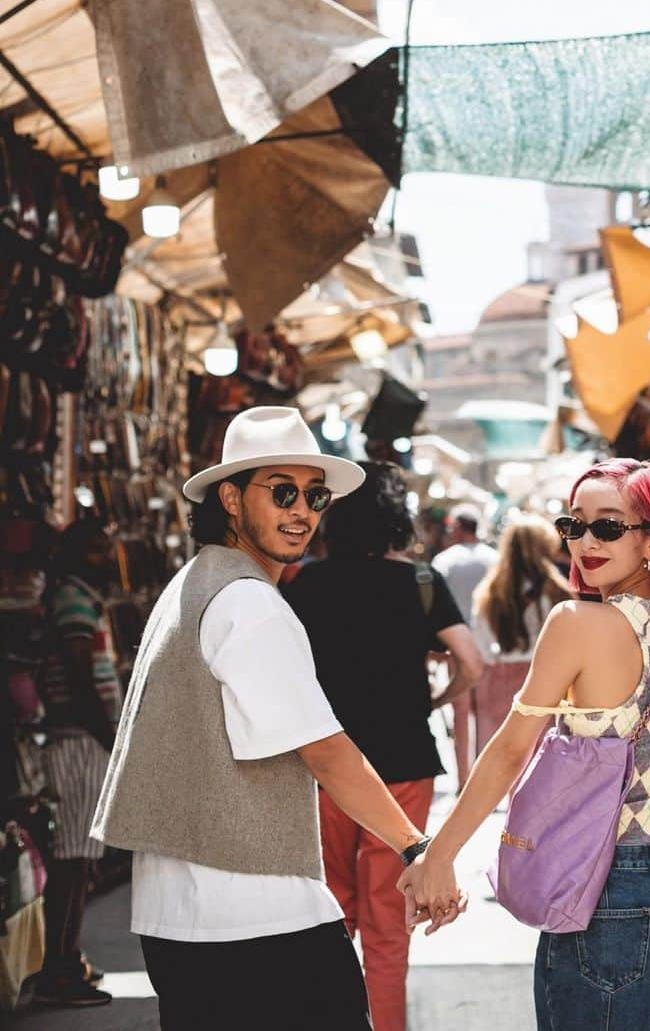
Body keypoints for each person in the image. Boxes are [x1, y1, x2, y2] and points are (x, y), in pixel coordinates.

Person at [90, 407, 463, 1031]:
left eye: (315, 496)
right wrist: (415, 848)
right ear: (231, 499)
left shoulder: (193, 586)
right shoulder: (248, 602)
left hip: (179, 912)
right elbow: (325, 751)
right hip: (255, 911)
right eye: (283, 492)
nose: (303, 512)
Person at [401, 458, 650, 1031]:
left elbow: (509, 750)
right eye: (574, 526)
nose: (585, 542)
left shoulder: (576, 621)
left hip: (609, 885)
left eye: (608, 526)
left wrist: (440, 854)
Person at [283, 461, 484, 1031]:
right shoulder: (420, 582)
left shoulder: (299, 582)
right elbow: (472, 663)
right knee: (387, 921)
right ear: (396, 515)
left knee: (330, 913)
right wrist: (441, 702)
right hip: (402, 767)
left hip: (322, 767)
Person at [33, 519, 122, 1009]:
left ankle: (67, 960)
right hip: (77, 742)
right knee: (72, 860)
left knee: (80, 859)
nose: (107, 557)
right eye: (97, 550)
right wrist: (110, 738)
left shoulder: (81, 596)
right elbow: (78, 674)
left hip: (83, 739)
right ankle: (59, 968)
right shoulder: (72, 599)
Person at [470, 514, 566, 755]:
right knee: (541, 760)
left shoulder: (490, 592)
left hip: (500, 675)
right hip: (546, 679)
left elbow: (481, 644)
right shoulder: (557, 591)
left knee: (507, 759)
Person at [432, 509, 497, 785]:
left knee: (459, 714)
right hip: (487, 641)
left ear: (459, 527)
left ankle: (464, 780)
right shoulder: (494, 558)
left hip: (454, 641)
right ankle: (484, 780)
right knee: (486, 713)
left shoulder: (444, 561)